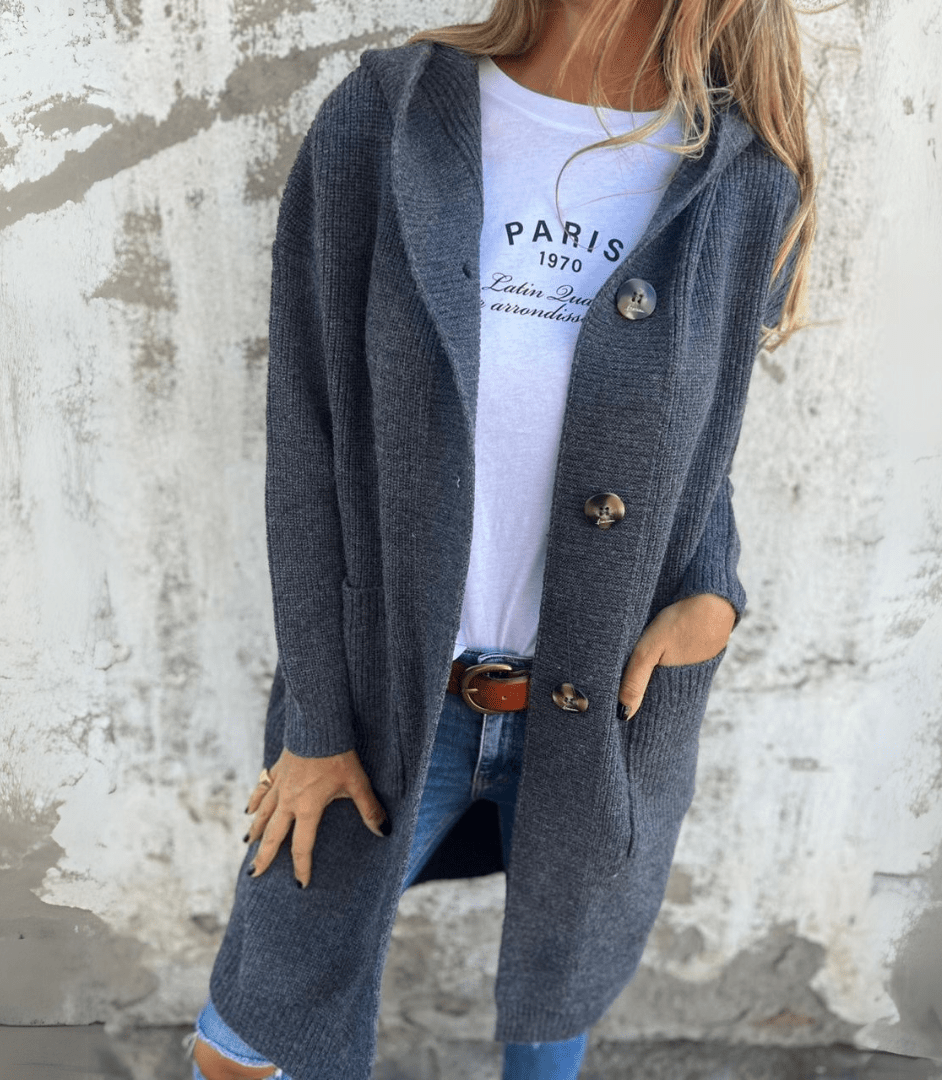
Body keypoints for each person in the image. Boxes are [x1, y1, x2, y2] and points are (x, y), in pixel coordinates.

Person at [190, 0, 816, 1077]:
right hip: (388, 704)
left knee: (552, 1008)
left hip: (605, 702)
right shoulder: (387, 117)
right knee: (250, 1043)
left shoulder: (741, 177)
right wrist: (314, 724)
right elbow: (308, 437)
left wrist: (715, 591)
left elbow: (701, 444)